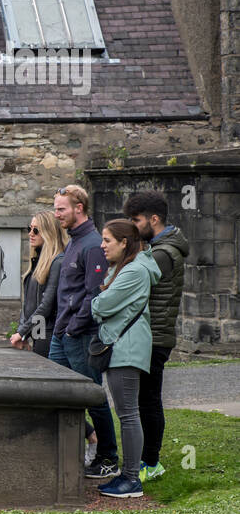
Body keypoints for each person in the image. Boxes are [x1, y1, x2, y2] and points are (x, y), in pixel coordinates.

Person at [123, 190, 190, 483]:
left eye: (136, 220)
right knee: (144, 399)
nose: (132, 226)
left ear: (154, 219)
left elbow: (134, 287)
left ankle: (150, 462)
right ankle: (146, 459)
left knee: (148, 400)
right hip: (153, 336)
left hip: (155, 337)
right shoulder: (158, 247)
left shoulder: (162, 253)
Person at [50, 184, 115, 478]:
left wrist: (73, 329)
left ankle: (108, 457)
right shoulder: (75, 240)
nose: (56, 214)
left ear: (79, 208)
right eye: (55, 208)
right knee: (57, 392)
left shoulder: (91, 243)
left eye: (61, 208)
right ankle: (67, 450)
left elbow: (94, 294)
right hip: (63, 333)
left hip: (80, 334)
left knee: (92, 396)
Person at [90, 219, 159, 498]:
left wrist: (99, 302)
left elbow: (102, 304)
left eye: (107, 240)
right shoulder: (128, 268)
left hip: (126, 349)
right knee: (128, 413)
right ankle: (128, 476)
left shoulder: (135, 271)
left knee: (129, 415)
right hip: (123, 347)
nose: (102, 245)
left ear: (124, 243)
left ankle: (131, 479)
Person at [11, 212, 66, 359]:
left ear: (49, 232)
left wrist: (22, 332)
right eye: (29, 228)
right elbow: (28, 304)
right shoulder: (37, 261)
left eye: (36, 230)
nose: (30, 234)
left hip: (48, 329)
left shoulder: (57, 262)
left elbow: (46, 305)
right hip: (38, 328)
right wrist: (23, 332)